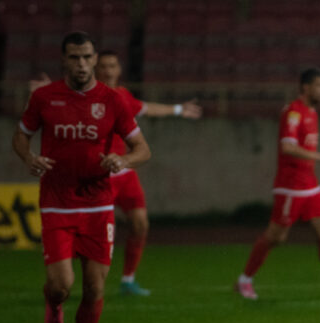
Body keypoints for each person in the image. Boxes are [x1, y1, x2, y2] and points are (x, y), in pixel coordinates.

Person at [13, 32, 151, 323]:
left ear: (94, 59)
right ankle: (54, 302)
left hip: (98, 204)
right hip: (57, 203)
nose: (82, 64)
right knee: (62, 284)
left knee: (94, 289)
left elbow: (143, 149)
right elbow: (21, 135)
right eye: (75, 57)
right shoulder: (44, 97)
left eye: (87, 57)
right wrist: (29, 158)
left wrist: (122, 160)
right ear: (64, 60)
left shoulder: (113, 100)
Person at [29, 53, 202, 296]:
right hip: (97, 177)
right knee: (83, 236)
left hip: (125, 172)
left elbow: (146, 108)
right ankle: (62, 279)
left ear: (119, 69)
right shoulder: (84, 97)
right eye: (103, 66)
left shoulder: (121, 96)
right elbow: (62, 107)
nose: (108, 70)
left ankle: (128, 280)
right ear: (95, 69)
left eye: (112, 65)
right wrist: (48, 92)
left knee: (140, 224)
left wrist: (178, 109)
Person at [235, 68, 320, 300]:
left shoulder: (312, 113)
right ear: (306, 87)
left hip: (310, 185)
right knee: (276, 236)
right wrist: (318, 156)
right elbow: (287, 147)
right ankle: (244, 280)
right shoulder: (293, 113)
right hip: (291, 186)